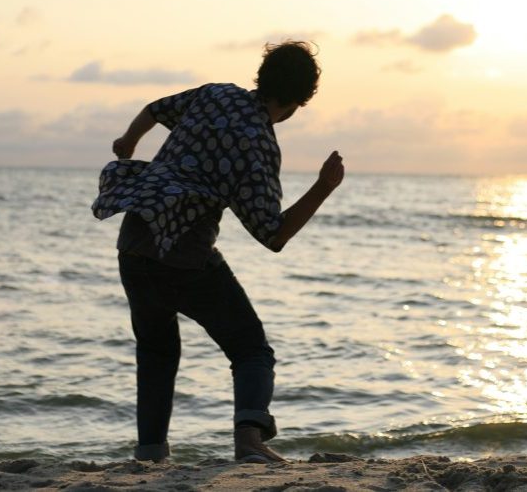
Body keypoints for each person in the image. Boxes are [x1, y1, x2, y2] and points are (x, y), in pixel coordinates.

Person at [91, 41, 344, 464]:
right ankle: (249, 440)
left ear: (262, 75)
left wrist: (128, 140)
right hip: (184, 255)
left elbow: (155, 109)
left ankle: (150, 453)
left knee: (156, 352)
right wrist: (323, 187)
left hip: (134, 241)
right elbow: (274, 234)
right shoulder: (259, 144)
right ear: (299, 102)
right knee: (251, 350)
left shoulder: (216, 93)